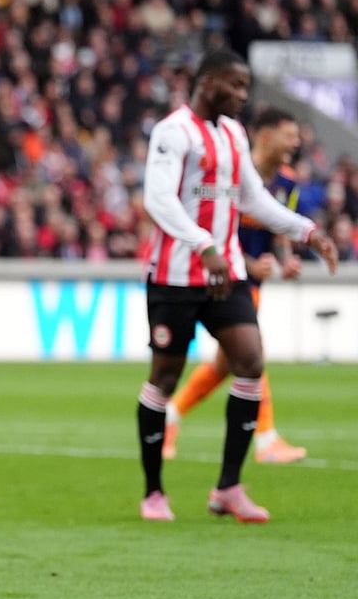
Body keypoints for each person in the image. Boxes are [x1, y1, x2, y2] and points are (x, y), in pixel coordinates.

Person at [134, 50, 337, 524]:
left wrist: (307, 231)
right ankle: (153, 492)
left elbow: (253, 199)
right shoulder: (173, 131)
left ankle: (228, 487)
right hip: (176, 276)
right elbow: (158, 199)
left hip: (226, 276)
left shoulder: (233, 134)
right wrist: (204, 245)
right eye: (236, 86)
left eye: (246, 88)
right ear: (208, 83)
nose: (243, 96)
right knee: (163, 378)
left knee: (249, 361)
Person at [163, 107, 308, 464]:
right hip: (220, 275)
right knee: (250, 352)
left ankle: (171, 414)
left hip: (252, 280)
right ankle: (267, 438)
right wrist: (243, 261)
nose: (296, 142)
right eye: (289, 135)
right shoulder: (231, 174)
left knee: (229, 362)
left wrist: (285, 259)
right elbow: (215, 225)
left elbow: (279, 229)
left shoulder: (287, 184)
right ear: (266, 135)